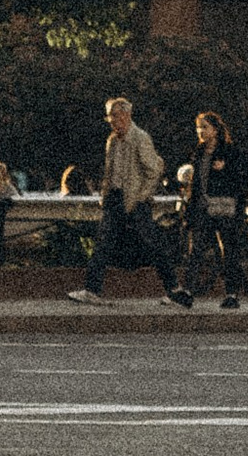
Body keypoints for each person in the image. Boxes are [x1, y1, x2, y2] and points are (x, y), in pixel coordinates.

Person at [69, 95, 182, 305]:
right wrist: (105, 195)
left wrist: (140, 196)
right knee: (103, 242)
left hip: (134, 200)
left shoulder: (140, 138)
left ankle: (174, 288)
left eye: (115, 115)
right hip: (115, 197)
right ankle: (92, 289)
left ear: (126, 115)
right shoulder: (112, 140)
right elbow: (109, 172)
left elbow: (155, 169)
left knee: (152, 243)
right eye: (109, 116)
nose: (111, 120)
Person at [180, 107, 248, 308]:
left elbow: (242, 179)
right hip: (203, 208)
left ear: (216, 130)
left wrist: (225, 169)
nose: (201, 131)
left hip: (225, 209)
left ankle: (232, 294)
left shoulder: (229, 152)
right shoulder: (199, 153)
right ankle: (188, 291)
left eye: (205, 127)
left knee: (228, 250)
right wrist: (190, 211)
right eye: (198, 128)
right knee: (197, 249)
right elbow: (196, 184)